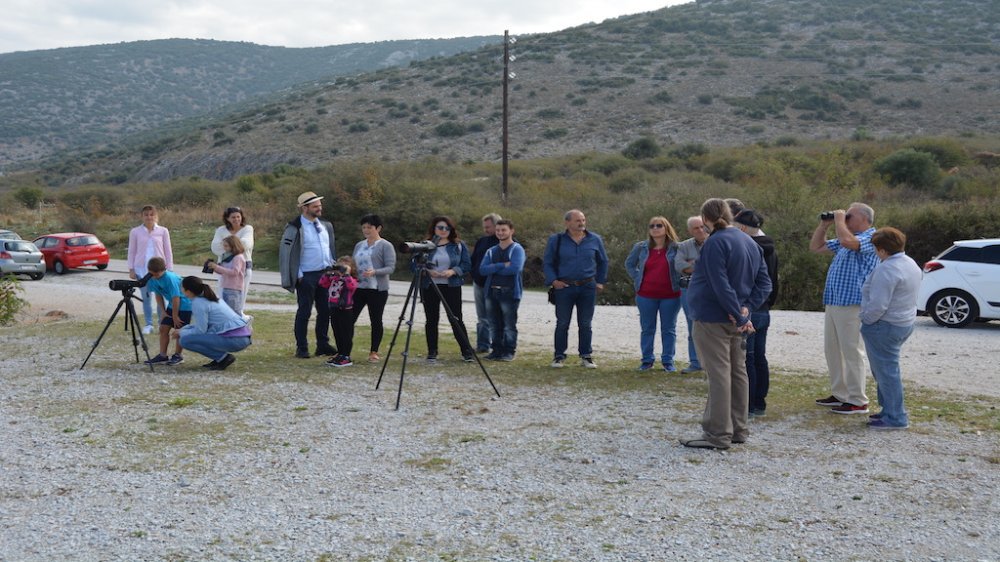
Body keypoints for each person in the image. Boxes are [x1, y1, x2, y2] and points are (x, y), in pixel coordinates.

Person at [681, 199, 772, 450]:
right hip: (735, 317)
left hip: (712, 317)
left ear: (705, 218)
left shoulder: (715, 242)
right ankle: (738, 429)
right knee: (737, 373)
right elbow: (765, 283)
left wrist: (738, 312)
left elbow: (719, 283)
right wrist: (746, 308)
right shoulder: (749, 242)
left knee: (719, 374)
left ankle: (717, 434)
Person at [810, 202, 879, 415]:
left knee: (851, 351)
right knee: (832, 350)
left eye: (850, 216)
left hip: (852, 303)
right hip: (835, 301)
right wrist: (824, 226)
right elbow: (816, 247)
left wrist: (839, 221)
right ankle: (840, 394)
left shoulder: (871, 239)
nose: (846, 218)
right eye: (845, 216)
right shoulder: (845, 238)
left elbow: (849, 242)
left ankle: (858, 400)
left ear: (865, 219)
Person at [859, 227, 921, 430]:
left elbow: (878, 305)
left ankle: (896, 417)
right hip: (903, 322)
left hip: (884, 326)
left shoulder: (888, 269)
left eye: (877, 248)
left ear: (883, 250)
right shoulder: (909, 263)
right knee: (885, 371)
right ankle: (888, 411)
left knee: (887, 373)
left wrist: (866, 319)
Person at [543, 209, 609, 369]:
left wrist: (600, 282)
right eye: (577, 220)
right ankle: (559, 356)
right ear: (567, 222)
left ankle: (586, 356)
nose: (581, 223)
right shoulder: (556, 240)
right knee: (562, 323)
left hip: (587, 286)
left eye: (583, 220)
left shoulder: (595, 239)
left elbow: (603, 261)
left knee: (585, 323)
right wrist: (554, 281)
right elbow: (547, 262)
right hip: (564, 287)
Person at [279, 191, 337, 359]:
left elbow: (329, 248)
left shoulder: (326, 225)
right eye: (315, 206)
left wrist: (333, 268)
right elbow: (287, 253)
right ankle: (302, 347)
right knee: (304, 312)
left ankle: (323, 344)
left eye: (319, 205)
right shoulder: (295, 227)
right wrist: (298, 275)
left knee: (326, 311)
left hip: (325, 274)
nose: (319, 208)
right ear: (305, 208)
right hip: (306, 276)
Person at [734, 209, 780, 417]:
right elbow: (773, 281)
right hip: (764, 307)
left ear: (742, 228)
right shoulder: (771, 247)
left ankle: (748, 405)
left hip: (749, 307)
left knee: (747, 358)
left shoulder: (748, 248)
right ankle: (760, 402)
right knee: (759, 357)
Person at [624, 216, 683, 372]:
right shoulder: (641, 247)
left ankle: (668, 361)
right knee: (647, 328)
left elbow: (684, 265)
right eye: (652, 226)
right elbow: (629, 264)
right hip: (646, 295)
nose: (655, 228)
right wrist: (638, 277)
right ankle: (647, 360)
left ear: (666, 228)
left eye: (659, 225)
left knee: (668, 329)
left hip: (671, 295)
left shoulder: (676, 248)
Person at [413, 215, 473, 364]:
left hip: (451, 285)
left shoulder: (458, 245)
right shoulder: (425, 245)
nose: (444, 230)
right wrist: (427, 271)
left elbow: (467, 264)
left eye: (447, 228)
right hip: (430, 285)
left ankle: (466, 351)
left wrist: (453, 271)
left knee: (456, 318)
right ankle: (432, 351)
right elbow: (414, 264)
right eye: (440, 227)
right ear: (434, 229)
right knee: (431, 319)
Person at [175, 276, 252, 371]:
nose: (181, 290)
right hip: (241, 338)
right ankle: (219, 358)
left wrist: (181, 333)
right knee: (189, 336)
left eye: (182, 287)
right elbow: (203, 326)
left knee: (184, 341)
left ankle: (223, 358)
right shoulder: (209, 297)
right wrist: (184, 330)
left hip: (236, 340)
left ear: (188, 291)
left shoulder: (198, 303)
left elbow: (200, 330)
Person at [352, 214, 396, 363]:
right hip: (359, 287)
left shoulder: (385, 245)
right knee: (349, 318)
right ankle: (344, 349)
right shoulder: (359, 245)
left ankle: (374, 351)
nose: (366, 230)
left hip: (377, 288)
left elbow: (390, 267)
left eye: (369, 227)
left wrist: (375, 272)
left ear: (378, 228)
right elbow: (353, 264)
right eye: (363, 227)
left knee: (375, 320)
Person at [479, 219, 524, 362]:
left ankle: (509, 351)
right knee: (493, 324)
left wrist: (494, 268)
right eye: (498, 230)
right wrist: (501, 265)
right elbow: (483, 270)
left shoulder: (517, 249)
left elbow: (515, 269)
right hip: (491, 291)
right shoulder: (491, 251)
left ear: (511, 231)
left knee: (509, 325)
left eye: (503, 230)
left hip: (509, 292)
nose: (500, 233)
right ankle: (496, 351)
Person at [127, 205, 173, 334]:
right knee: (146, 298)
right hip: (142, 270)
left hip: (160, 271)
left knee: (161, 299)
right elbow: (131, 251)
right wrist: (131, 269)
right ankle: (148, 324)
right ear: (142, 216)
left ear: (156, 216)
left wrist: (170, 269)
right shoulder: (135, 232)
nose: (149, 217)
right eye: (146, 214)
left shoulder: (163, 231)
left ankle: (161, 323)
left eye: (151, 214)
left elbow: (168, 251)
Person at [674, 216, 709, 374]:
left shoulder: (716, 243)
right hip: (689, 290)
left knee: (712, 327)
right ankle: (695, 362)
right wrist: (703, 265)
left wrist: (693, 264)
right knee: (693, 326)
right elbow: (679, 266)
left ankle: (711, 364)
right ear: (690, 231)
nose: (700, 230)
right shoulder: (684, 246)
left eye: (702, 226)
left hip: (711, 291)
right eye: (696, 228)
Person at [143, 257, 192, 366]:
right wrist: (164, 311)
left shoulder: (170, 278)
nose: (155, 277)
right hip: (172, 304)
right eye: (152, 274)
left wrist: (175, 315)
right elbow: (158, 294)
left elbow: (176, 297)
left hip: (185, 305)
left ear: (164, 270)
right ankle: (162, 355)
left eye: (157, 274)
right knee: (163, 328)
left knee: (179, 330)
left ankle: (178, 355)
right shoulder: (151, 278)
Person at [210, 206, 254, 317]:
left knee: (239, 298)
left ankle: (240, 320)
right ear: (227, 218)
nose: (236, 219)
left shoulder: (248, 229)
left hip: (243, 269)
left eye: (238, 217)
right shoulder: (221, 230)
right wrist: (235, 246)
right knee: (223, 295)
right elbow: (215, 247)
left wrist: (227, 245)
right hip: (223, 268)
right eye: (233, 217)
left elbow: (246, 244)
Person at [470, 213, 502, 354]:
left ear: (497, 226)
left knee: (497, 316)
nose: (485, 230)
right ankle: (483, 345)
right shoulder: (482, 241)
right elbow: (473, 259)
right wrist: (474, 274)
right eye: (484, 227)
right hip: (479, 284)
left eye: (488, 227)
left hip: (496, 285)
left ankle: (499, 346)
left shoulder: (506, 243)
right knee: (482, 317)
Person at [320, 256, 360, 368]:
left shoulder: (352, 279)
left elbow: (351, 286)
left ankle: (346, 356)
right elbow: (322, 283)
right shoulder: (334, 278)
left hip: (346, 310)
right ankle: (340, 353)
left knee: (345, 333)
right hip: (334, 308)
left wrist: (346, 274)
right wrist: (328, 273)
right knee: (337, 332)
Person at [208, 235, 247, 317]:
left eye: (226, 246)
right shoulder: (227, 257)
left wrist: (218, 267)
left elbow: (235, 272)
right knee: (227, 311)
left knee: (234, 311)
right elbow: (223, 271)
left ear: (233, 246)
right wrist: (214, 268)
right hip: (226, 286)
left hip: (234, 288)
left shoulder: (238, 257)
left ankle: (243, 326)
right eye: (224, 246)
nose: (224, 248)